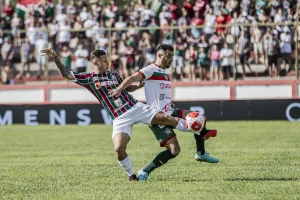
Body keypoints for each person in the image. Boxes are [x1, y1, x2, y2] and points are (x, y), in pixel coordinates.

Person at [41, 48, 211, 182]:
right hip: (119, 117)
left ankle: (195, 128)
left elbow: (125, 88)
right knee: (119, 149)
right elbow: (66, 74)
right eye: (103, 61)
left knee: (165, 118)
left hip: (135, 107)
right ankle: (132, 176)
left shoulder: (114, 74)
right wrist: (55, 56)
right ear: (94, 62)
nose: (107, 63)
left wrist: (137, 86)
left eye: (107, 60)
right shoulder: (89, 78)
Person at [111, 44, 219, 181]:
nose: (171, 60)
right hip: (157, 116)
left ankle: (201, 153)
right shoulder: (150, 69)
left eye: (172, 57)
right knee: (174, 151)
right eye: (168, 56)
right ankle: (145, 171)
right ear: (159, 55)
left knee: (199, 117)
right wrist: (120, 89)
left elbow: (159, 93)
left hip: (170, 110)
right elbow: (132, 78)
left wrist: (168, 101)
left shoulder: (164, 74)